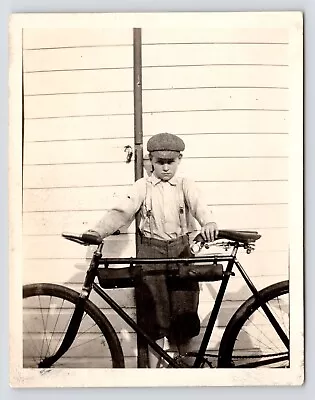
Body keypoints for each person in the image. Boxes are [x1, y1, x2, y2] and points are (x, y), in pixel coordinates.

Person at [86, 132, 218, 367]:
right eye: (160, 162)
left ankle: (188, 370)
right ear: (151, 161)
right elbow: (121, 211)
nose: (166, 168)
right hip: (151, 253)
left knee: (184, 312)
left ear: (179, 160)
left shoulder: (186, 185)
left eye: (171, 162)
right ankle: (155, 376)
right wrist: (98, 232)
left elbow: (200, 206)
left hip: (181, 252)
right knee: (153, 317)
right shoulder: (142, 187)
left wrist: (208, 222)